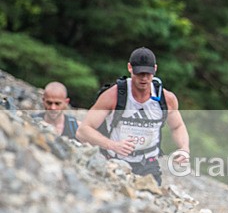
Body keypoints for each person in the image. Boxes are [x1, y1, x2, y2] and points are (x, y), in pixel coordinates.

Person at [77, 47, 190, 185]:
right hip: (115, 161)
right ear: (130, 68)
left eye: (148, 73)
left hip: (148, 163)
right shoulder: (113, 95)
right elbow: (83, 131)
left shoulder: (166, 99)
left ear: (155, 69)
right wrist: (112, 145)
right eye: (139, 73)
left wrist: (184, 148)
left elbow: (177, 126)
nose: (144, 78)